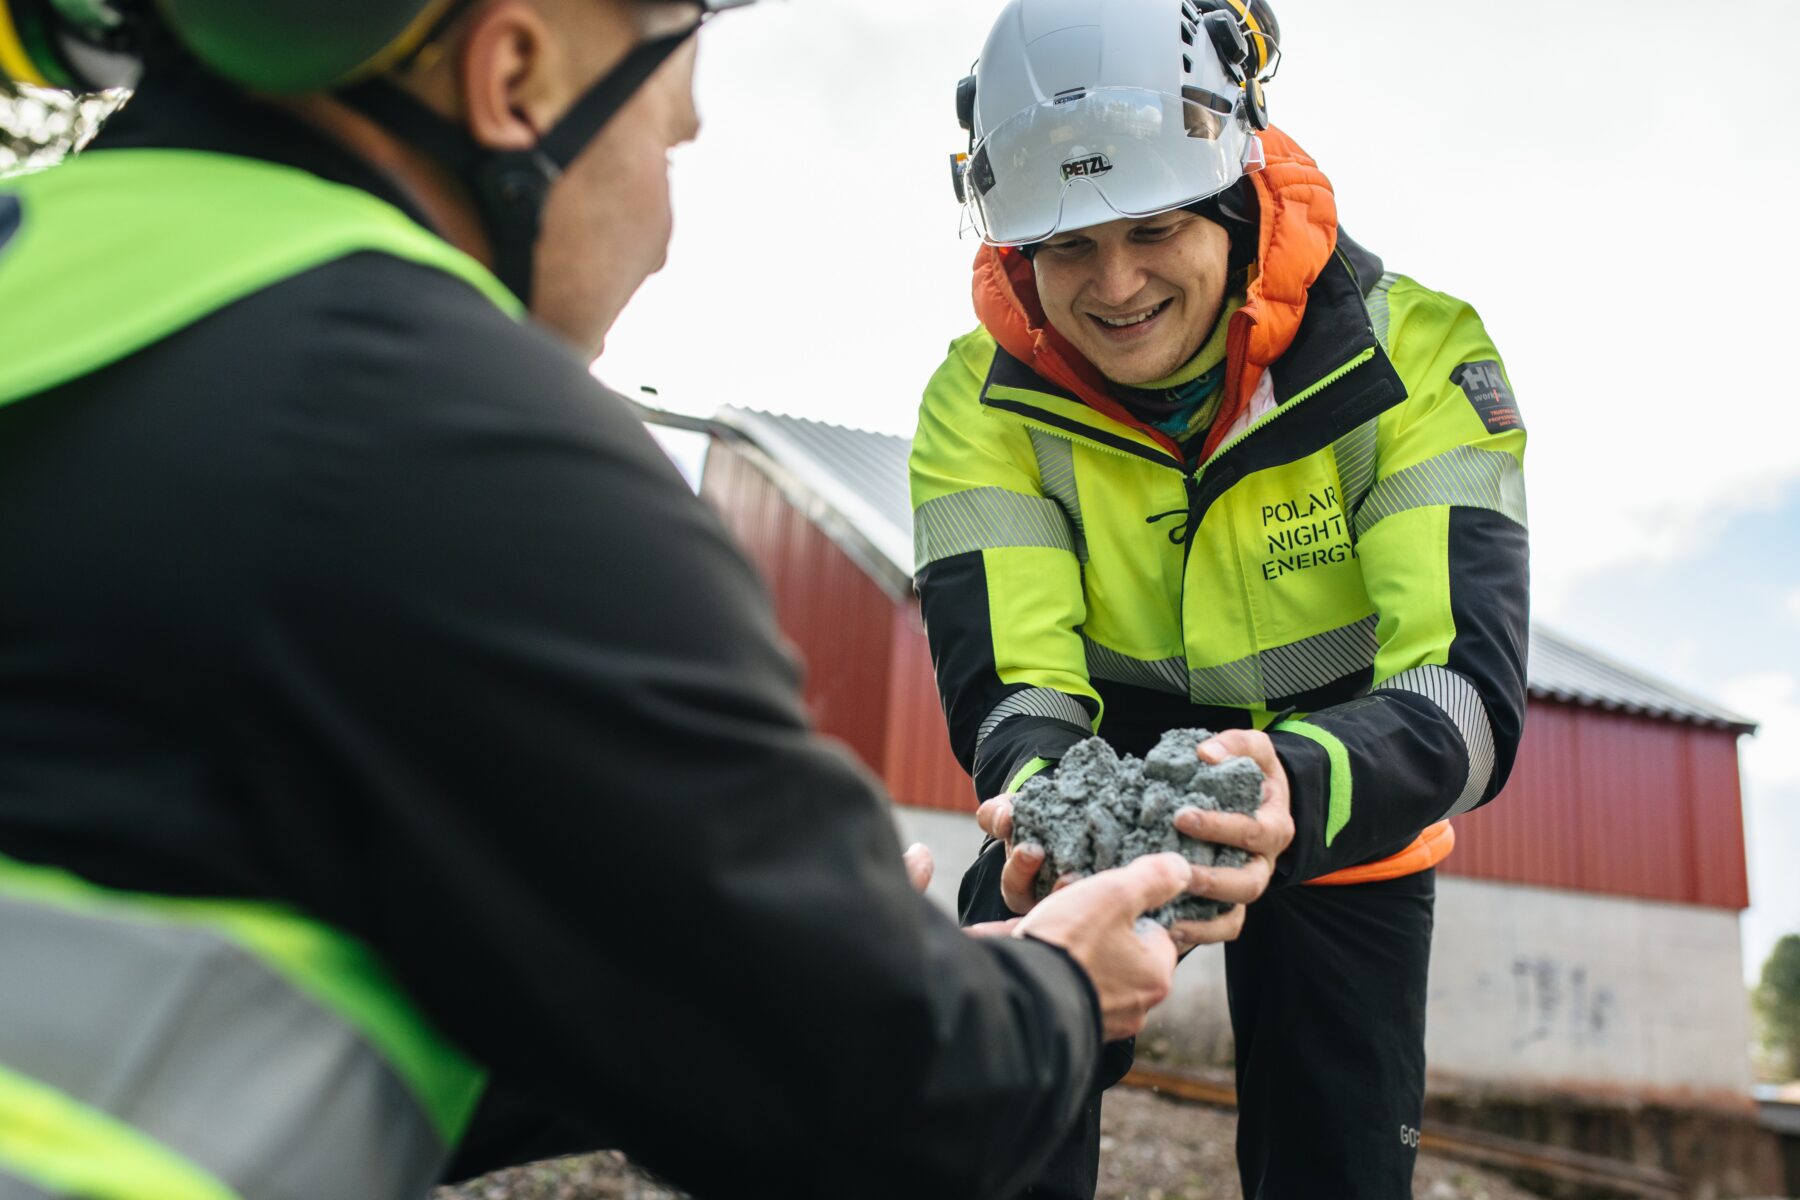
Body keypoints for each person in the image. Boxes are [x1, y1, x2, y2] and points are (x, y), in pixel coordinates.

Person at [0, 2, 1210, 1196]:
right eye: (673, 141)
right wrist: (1059, 993)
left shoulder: (56, 296)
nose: (668, 233)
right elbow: (889, 1103)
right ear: (517, 75)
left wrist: (692, 995)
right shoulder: (456, 446)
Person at [909, 0, 1530, 1196]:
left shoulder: (1417, 360)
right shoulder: (973, 407)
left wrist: (1288, 785)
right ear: (1014, 244)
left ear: (1236, 193)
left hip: (1343, 791)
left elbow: (1463, 700)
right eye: (1068, 244)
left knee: (1340, 1159)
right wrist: (1055, 819)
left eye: (1152, 227)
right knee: (1000, 1068)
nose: (1116, 284)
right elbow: (1015, 691)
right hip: (1092, 789)